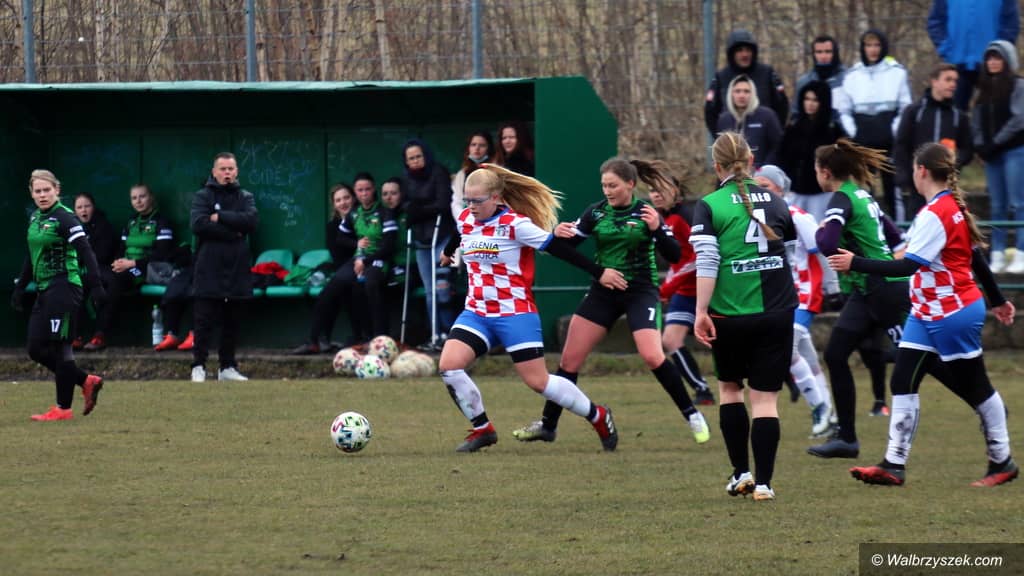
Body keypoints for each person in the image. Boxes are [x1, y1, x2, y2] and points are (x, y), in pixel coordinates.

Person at [830, 143, 1018, 487]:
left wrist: (855, 262)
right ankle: (894, 464)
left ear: (921, 171)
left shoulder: (938, 212)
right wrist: (997, 299)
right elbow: (974, 257)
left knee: (976, 386)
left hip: (952, 311)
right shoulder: (945, 207)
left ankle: (1002, 460)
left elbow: (908, 266)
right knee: (902, 380)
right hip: (927, 311)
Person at [512, 157, 711, 446]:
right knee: (569, 360)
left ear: (630, 184)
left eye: (613, 185)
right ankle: (548, 425)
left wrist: (657, 229)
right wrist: (556, 235)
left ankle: (692, 414)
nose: (607, 191)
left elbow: (675, 254)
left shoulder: (646, 213)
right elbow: (566, 248)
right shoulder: (596, 212)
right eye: (604, 185)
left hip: (640, 292)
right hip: (603, 292)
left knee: (652, 355)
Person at [437, 164, 626, 452]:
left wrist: (599, 272)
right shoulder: (466, 218)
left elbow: (559, 250)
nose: (471, 206)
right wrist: (448, 252)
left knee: (539, 382)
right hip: (477, 313)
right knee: (449, 366)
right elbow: (459, 232)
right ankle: (483, 429)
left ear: (496, 198)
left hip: (514, 313)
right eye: (467, 200)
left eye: (477, 200)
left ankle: (597, 415)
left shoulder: (516, 224)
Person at [807, 139, 962, 459]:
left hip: (884, 289)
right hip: (867, 289)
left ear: (825, 172)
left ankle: (982, 400)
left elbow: (827, 243)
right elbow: (895, 237)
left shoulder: (841, 198)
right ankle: (847, 439)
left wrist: (822, 230)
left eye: (816, 169)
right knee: (836, 354)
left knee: (923, 359)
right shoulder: (863, 195)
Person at [689, 133, 797, 502]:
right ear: (751, 161)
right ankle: (764, 485)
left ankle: (741, 474)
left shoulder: (709, 205)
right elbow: (790, 258)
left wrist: (700, 311)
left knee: (731, 390)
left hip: (730, 314)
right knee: (765, 400)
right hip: (777, 312)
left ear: (716, 166)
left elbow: (708, 261)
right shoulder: (779, 203)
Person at [11, 170, 106, 420]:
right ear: (31, 193)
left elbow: (86, 251)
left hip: (64, 288)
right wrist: (21, 287)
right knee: (35, 349)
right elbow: (31, 255)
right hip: (44, 290)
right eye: (38, 191)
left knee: (61, 347)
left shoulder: (65, 218)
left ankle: (63, 408)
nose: (42, 195)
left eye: (47, 190)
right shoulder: (35, 218)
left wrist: (96, 285)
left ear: (57, 190)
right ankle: (85, 380)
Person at [755, 165, 833, 438]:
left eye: (765, 186)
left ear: (780, 189)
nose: (759, 192)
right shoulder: (758, 218)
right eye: (756, 187)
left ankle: (820, 408)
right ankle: (830, 417)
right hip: (781, 295)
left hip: (804, 293)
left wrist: (832, 286)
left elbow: (821, 249)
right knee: (806, 357)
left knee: (786, 351)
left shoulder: (797, 216)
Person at [294, 174, 396, 354]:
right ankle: (315, 340)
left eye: (346, 198)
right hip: (351, 266)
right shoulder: (342, 222)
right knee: (331, 290)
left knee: (361, 287)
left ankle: (371, 339)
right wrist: (356, 247)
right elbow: (340, 246)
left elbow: (387, 245)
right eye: (338, 200)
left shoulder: (378, 213)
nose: (343, 203)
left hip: (372, 264)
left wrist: (362, 261)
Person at [190, 152, 258, 382]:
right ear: (214, 171)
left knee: (232, 320)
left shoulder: (245, 196)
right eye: (223, 169)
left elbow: (251, 221)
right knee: (204, 319)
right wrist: (233, 231)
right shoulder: (203, 196)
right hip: (209, 264)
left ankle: (227, 367)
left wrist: (219, 217)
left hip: (237, 265)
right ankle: (198, 366)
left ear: (236, 171)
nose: (227, 173)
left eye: (231, 169)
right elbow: (198, 224)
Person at [648, 177, 715, 406]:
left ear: (676, 191)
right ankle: (702, 390)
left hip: (704, 289)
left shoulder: (686, 216)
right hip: (684, 291)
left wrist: (668, 287)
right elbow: (678, 262)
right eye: (651, 190)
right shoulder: (660, 219)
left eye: (661, 189)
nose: (656, 194)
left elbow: (698, 258)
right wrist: (668, 286)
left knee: (726, 339)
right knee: (670, 339)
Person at [84, 184, 176, 350]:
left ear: (151, 197)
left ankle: (100, 335)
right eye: (134, 198)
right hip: (126, 267)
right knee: (102, 277)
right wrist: (118, 262)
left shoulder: (162, 221)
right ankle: (85, 334)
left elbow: (162, 254)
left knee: (115, 281)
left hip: (145, 270)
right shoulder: (131, 222)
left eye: (142, 196)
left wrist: (133, 264)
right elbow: (121, 249)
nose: (138, 201)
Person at [835, 29, 912, 220]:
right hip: (863, 142)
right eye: (868, 45)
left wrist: (893, 130)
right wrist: (855, 132)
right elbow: (844, 110)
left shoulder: (897, 73)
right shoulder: (852, 75)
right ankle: (867, 229)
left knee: (892, 190)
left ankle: (899, 230)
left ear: (883, 47)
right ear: (862, 48)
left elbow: (905, 106)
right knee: (864, 190)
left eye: (877, 45)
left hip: (889, 143)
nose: (873, 50)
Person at [894, 63, 974, 219]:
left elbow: (968, 149)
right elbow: (901, 145)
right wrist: (904, 176)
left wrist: (953, 163)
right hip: (918, 185)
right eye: (948, 79)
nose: (953, 84)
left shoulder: (959, 116)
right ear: (934, 81)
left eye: (955, 81)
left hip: (947, 185)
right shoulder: (914, 112)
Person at [972, 40, 1024, 273]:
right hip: (992, 155)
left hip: (1014, 151)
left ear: (1007, 60)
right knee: (997, 205)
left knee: (1018, 203)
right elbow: (976, 120)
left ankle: (1021, 252)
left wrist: (996, 142)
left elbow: (1019, 119)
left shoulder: (1018, 85)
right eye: (989, 58)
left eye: (997, 58)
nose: (993, 62)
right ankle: (998, 253)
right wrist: (980, 146)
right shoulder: (983, 89)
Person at [401, 139, 457, 347]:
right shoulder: (406, 178)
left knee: (442, 287)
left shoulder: (438, 172)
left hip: (441, 235)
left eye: (418, 156)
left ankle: (450, 333)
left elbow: (443, 203)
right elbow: (405, 203)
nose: (415, 161)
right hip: (421, 238)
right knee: (429, 290)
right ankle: (435, 334)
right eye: (411, 158)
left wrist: (419, 210)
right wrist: (413, 210)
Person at [928, 0, 1020, 110]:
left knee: (996, 112)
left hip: (992, 65)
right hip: (956, 63)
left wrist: (999, 52)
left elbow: (1010, 24)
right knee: (952, 112)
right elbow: (936, 22)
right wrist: (946, 49)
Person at [779, 81, 848, 222]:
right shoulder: (793, 128)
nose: (810, 104)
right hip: (796, 191)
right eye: (807, 99)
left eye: (815, 100)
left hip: (822, 193)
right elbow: (782, 156)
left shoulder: (832, 130)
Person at [704, 29, 788, 136]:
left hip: (762, 137)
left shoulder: (767, 73)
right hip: (732, 137)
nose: (745, 54)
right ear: (732, 53)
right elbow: (710, 111)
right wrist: (721, 138)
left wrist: (773, 133)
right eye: (739, 50)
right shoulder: (721, 77)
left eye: (748, 50)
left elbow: (782, 105)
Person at [71, 192, 116, 350]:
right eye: (79, 207)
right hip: (80, 272)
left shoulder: (104, 226)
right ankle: (74, 336)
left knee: (109, 287)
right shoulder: (72, 228)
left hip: (102, 270)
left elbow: (103, 255)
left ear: (93, 207)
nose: (83, 210)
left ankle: (99, 335)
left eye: (87, 206)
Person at [715, 75, 782, 167]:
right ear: (731, 94)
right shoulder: (724, 119)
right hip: (732, 173)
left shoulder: (767, 116)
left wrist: (764, 168)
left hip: (760, 172)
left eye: (746, 91)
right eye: (737, 91)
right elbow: (721, 151)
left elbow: (778, 147)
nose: (741, 95)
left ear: (753, 93)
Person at [793, 35, 846, 115]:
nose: (823, 56)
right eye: (819, 52)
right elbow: (796, 114)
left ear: (835, 53)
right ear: (813, 54)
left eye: (828, 52)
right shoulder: (804, 82)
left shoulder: (848, 79)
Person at [451, 130, 494, 219]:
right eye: (473, 145)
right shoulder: (462, 174)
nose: (477, 148)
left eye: (482, 145)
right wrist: (466, 220)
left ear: (489, 149)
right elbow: (456, 202)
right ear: (468, 148)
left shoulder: (496, 171)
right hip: (467, 221)